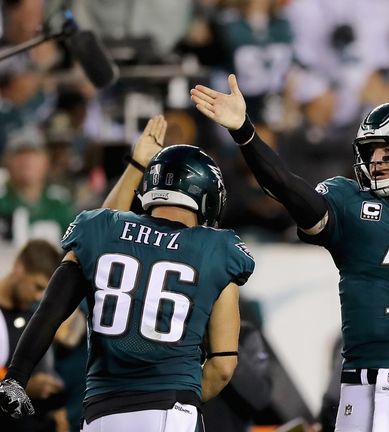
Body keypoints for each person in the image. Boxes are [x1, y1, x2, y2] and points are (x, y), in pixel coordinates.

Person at [191, 74, 389, 431]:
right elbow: (287, 187)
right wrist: (245, 132)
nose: (377, 162)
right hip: (363, 386)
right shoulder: (351, 204)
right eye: (371, 153)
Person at [0, 143, 255, 432]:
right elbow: (222, 368)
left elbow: (50, 310)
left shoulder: (99, 228)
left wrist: (17, 377)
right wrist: (186, 400)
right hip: (169, 409)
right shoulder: (218, 250)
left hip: (101, 414)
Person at [0, 239, 67, 432]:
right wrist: (22, 389)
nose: (38, 296)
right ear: (19, 268)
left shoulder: (34, 319)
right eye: (37, 286)